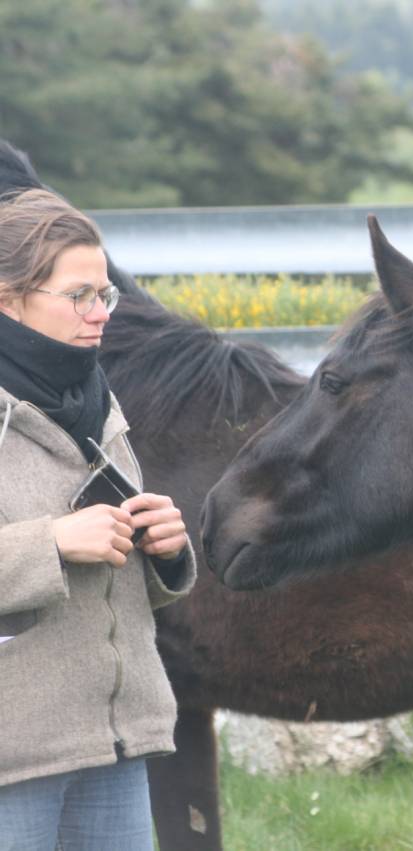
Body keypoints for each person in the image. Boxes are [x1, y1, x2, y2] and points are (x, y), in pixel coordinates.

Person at [0, 188, 196, 850]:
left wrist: (164, 550)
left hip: (114, 743)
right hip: (12, 757)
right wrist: (51, 542)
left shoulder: (97, 400)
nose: (99, 315)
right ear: (8, 297)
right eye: (78, 295)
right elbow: (65, 543)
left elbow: (115, 566)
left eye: (105, 295)